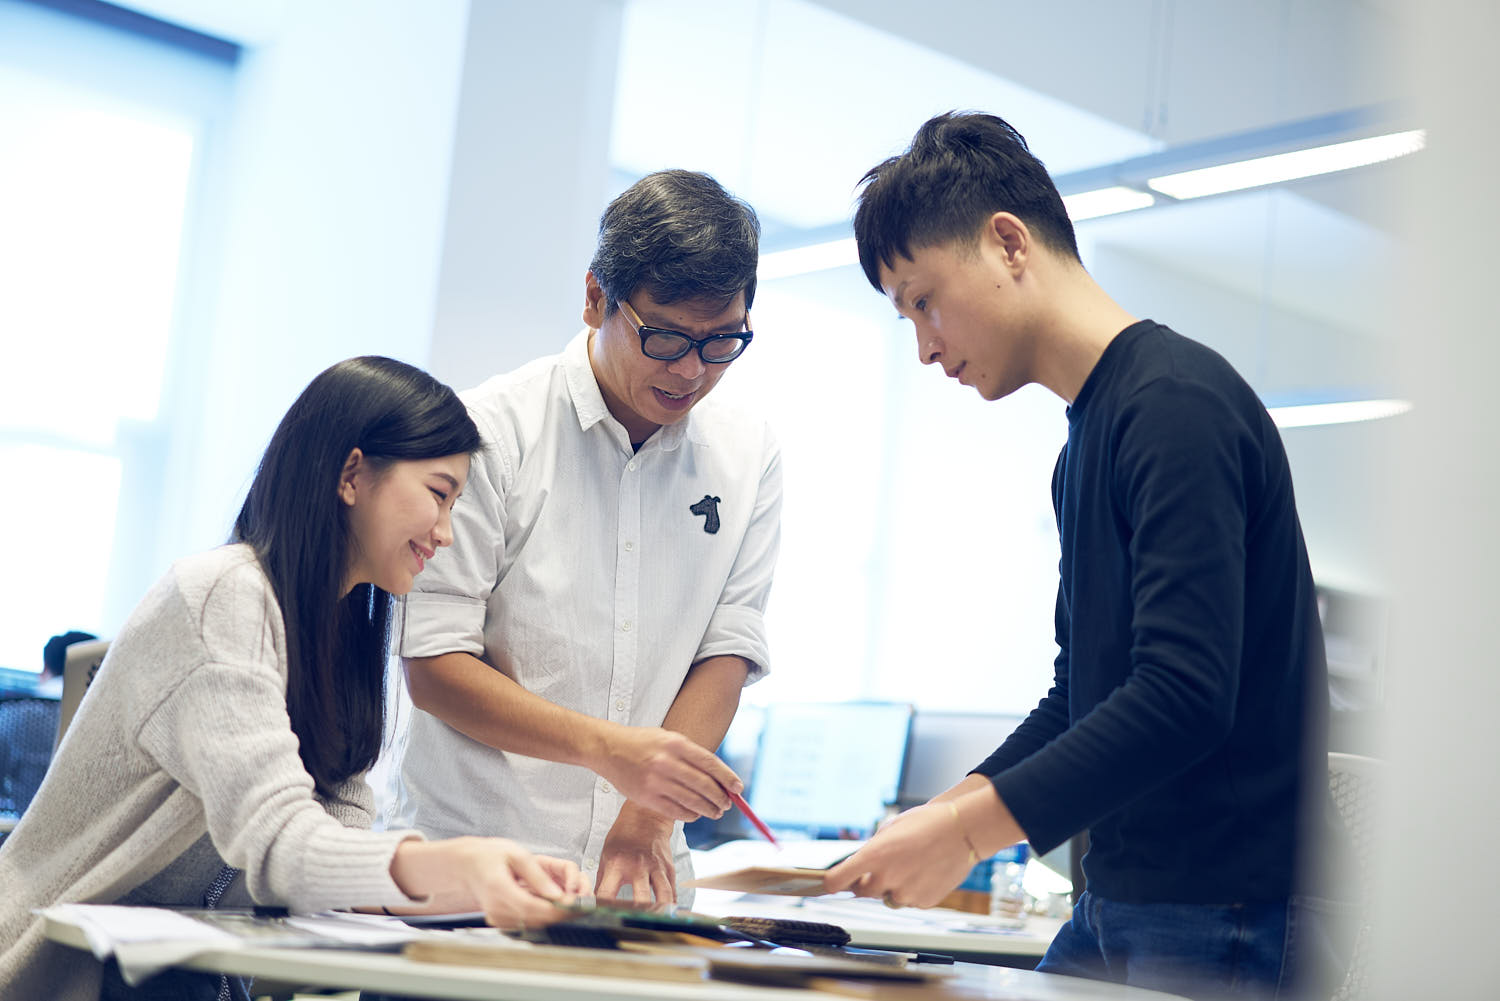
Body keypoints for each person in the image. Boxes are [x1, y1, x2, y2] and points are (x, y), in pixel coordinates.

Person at [823, 112, 1346, 999]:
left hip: (1228, 910)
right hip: (1117, 899)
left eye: (922, 299)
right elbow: (1080, 695)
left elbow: (1185, 694)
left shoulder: (1177, 404)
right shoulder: (1086, 442)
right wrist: (942, 812)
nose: (923, 346)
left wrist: (965, 837)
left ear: (1006, 243)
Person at [0, 357, 585, 1001]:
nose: (444, 534)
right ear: (352, 474)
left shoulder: (338, 624)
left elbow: (337, 835)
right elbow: (282, 845)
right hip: (60, 975)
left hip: (175, 979)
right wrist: (455, 864)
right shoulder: (223, 595)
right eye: (439, 495)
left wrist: (484, 885)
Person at [388, 169, 781, 905]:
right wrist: (612, 750)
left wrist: (646, 812)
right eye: (665, 338)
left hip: (645, 876)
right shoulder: (488, 432)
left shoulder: (748, 452)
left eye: (722, 341)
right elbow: (435, 663)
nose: (691, 371)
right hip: (474, 870)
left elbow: (727, 652)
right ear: (598, 298)